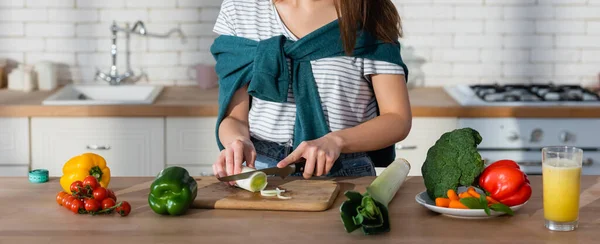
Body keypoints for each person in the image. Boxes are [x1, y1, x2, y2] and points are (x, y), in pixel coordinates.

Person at [211, 0, 412, 181]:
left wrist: (336, 141)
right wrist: (237, 141)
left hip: (345, 169)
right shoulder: (240, 11)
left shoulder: (369, 11)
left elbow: (397, 118)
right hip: (262, 168)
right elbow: (234, 118)